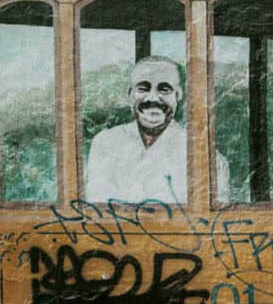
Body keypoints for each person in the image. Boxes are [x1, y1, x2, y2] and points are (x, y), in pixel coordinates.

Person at [83, 55, 230, 204]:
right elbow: (96, 208)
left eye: (164, 90)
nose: (152, 98)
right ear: (130, 95)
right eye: (143, 89)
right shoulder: (105, 143)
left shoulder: (203, 154)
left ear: (178, 95)